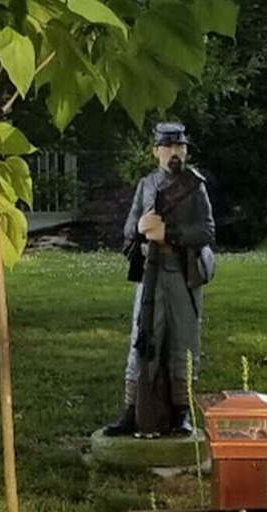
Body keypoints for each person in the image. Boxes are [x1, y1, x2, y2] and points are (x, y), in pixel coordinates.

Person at [103, 121, 216, 437]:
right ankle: (132, 410)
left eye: (179, 147)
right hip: (150, 275)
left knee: (184, 343)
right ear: (156, 151)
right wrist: (141, 227)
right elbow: (128, 232)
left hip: (182, 274)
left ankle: (181, 414)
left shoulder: (196, 187)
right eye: (168, 147)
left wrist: (171, 234)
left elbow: (207, 231)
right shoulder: (146, 185)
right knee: (141, 342)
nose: (174, 153)